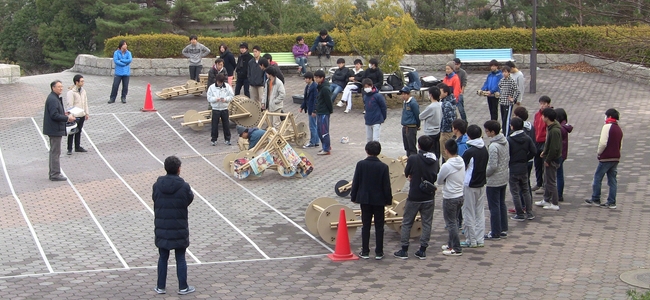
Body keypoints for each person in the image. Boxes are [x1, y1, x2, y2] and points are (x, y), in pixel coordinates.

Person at [153, 156, 195, 295]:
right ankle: (183, 287)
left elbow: (155, 198)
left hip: (162, 226)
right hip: (179, 226)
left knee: (163, 257)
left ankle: (160, 286)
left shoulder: (157, 185)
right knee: (180, 257)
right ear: (178, 169)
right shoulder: (184, 186)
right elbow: (189, 199)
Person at [394, 136, 439, 260]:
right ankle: (422, 249)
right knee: (427, 223)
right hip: (429, 195)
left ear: (418, 146)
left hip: (414, 195)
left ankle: (404, 249)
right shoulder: (435, 159)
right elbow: (435, 176)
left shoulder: (414, 158)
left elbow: (407, 172)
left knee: (407, 222)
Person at [350, 141, 392, 260]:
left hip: (365, 199)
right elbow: (386, 185)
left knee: (366, 225)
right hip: (379, 200)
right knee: (379, 226)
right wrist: (388, 199)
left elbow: (356, 182)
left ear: (366, 150)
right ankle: (379, 251)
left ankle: (365, 251)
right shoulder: (383, 166)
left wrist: (354, 197)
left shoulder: (361, 164)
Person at [585, 108, 623, 209]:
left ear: (609, 116)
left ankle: (596, 198)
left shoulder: (607, 127)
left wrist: (599, 153)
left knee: (597, 177)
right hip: (615, 157)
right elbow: (620, 144)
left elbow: (603, 143)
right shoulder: (618, 128)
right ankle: (612, 201)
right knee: (612, 180)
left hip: (606, 157)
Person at [460, 125, 489, 248]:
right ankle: (480, 239)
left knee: (468, 212)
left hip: (470, 185)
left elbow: (463, 167)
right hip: (482, 183)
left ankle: (470, 240)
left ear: (469, 136)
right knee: (479, 212)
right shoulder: (484, 149)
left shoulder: (469, 152)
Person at [43, 80, 76, 181]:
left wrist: (64, 113)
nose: (61, 88)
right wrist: (67, 118)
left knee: (54, 151)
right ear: (53, 88)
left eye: (61, 86)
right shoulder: (53, 99)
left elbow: (56, 112)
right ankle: (55, 174)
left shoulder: (54, 97)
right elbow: (54, 115)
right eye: (58, 87)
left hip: (54, 129)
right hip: (54, 129)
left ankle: (53, 172)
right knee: (55, 152)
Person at [438, 139, 466, 256]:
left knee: (451, 223)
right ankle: (451, 244)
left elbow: (439, 180)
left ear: (446, 151)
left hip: (450, 196)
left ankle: (456, 247)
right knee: (454, 221)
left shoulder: (447, 165)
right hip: (460, 194)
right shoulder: (461, 161)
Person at [483, 120, 510, 240]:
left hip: (494, 180)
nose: (486, 133)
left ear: (493, 132)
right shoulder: (505, 141)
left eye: (487, 131)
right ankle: (503, 228)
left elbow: (492, 166)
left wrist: (485, 174)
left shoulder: (493, 146)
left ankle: (495, 232)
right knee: (501, 204)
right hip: (503, 176)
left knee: (494, 206)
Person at [507, 117, 537, 221]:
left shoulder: (510, 140)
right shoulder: (527, 138)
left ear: (513, 127)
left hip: (514, 168)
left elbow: (507, 154)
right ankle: (529, 212)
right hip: (523, 167)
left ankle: (519, 213)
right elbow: (534, 151)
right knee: (525, 190)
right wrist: (525, 158)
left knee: (515, 192)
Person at [535, 108, 562, 211]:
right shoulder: (550, 127)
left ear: (547, 118)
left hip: (552, 159)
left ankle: (555, 203)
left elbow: (554, 148)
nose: (541, 117)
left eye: (543, 116)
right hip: (549, 157)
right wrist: (544, 152)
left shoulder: (554, 130)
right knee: (546, 179)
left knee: (551, 181)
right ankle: (546, 199)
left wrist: (548, 159)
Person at [532, 96, 552, 194]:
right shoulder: (537, 115)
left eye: (544, 104)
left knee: (545, 163)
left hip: (545, 141)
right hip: (537, 141)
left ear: (548, 104)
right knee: (537, 163)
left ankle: (545, 185)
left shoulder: (550, 115)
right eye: (541, 103)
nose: (542, 106)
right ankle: (538, 182)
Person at [65, 74, 89, 155]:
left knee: (79, 131)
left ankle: (77, 147)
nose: (83, 83)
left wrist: (86, 113)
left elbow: (85, 102)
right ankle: (69, 148)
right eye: (81, 81)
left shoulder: (83, 91)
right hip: (74, 116)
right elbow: (69, 105)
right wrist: (70, 115)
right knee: (72, 132)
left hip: (81, 114)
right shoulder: (71, 92)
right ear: (76, 82)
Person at [207, 74, 234, 146]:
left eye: (221, 83)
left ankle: (227, 139)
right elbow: (209, 98)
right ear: (216, 81)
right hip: (215, 108)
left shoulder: (227, 87)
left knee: (226, 125)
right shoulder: (211, 87)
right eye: (219, 82)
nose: (220, 84)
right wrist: (215, 99)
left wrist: (225, 99)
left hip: (224, 108)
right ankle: (214, 139)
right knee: (214, 125)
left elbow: (231, 96)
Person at [419, 87, 442, 159]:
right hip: (438, 130)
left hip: (430, 131)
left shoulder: (431, 107)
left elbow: (421, 116)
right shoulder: (441, 104)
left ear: (431, 95)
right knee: (437, 151)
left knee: (430, 153)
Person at [555, 108, 573, 202]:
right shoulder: (565, 127)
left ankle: (557, 194)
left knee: (556, 175)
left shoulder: (560, 129)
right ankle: (559, 194)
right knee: (560, 174)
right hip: (563, 153)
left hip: (559, 153)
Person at [497, 65, 520, 136]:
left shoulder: (511, 81)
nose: (504, 74)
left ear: (509, 72)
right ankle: (504, 132)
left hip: (508, 103)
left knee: (506, 120)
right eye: (503, 72)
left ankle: (506, 134)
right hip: (502, 102)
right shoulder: (501, 80)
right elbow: (500, 88)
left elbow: (518, 91)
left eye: (506, 72)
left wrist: (513, 99)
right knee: (503, 118)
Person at [314, 70, 333, 155]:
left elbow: (328, 101)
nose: (315, 79)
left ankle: (326, 148)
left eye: (317, 78)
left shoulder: (325, 88)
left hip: (324, 112)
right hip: (319, 111)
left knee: (324, 131)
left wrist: (330, 110)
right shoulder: (319, 86)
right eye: (315, 77)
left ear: (322, 78)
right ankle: (325, 146)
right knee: (319, 130)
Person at [300, 72, 320, 149]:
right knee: (314, 125)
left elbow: (316, 99)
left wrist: (314, 110)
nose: (305, 80)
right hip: (309, 108)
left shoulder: (314, 87)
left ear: (310, 78)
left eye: (306, 78)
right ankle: (316, 141)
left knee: (312, 126)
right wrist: (302, 106)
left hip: (312, 109)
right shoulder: (308, 86)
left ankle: (312, 142)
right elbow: (306, 98)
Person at [399, 87, 420, 157]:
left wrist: (418, 125)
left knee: (412, 147)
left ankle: (414, 162)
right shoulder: (405, 102)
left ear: (409, 94)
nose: (403, 95)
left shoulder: (413, 103)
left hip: (411, 127)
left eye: (405, 94)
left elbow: (417, 115)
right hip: (405, 127)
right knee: (407, 147)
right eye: (402, 94)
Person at [438, 83, 456, 161]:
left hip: (446, 131)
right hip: (448, 130)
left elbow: (449, 119)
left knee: (445, 154)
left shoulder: (446, 104)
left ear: (446, 93)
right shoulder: (450, 100)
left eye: (440, 92)